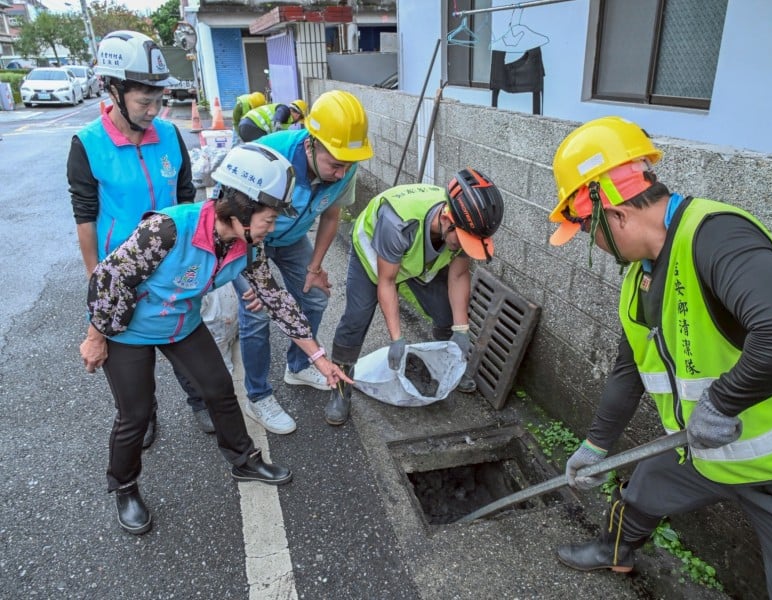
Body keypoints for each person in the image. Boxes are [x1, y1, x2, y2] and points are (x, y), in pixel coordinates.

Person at [548, 116, 772, 598]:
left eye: (587, 231)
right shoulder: (638, 279)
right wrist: (596, 446)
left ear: (615, 216)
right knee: (643, 488)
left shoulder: (716, 236)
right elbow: (629, 371)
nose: (592, 244)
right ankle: (614, 551)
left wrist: (722, 403)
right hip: (702, 449)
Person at [78, 143, 352, 535]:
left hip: (181, 325)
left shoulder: (248, 246)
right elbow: (109, 278)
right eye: (270, 218)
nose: (273, 227)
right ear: (241, 209)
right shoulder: (168, 229)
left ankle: (244, 460)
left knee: (220, 389)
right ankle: (124, 487)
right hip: (129, 330)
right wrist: (96, 336)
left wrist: (320, 359)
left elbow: (277, 301)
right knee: (134, 414)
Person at [67, 30, 212, 442]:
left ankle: (200, 400)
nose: (153, 110)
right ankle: (142, 414)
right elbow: (84, 216)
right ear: (113, 90)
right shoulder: (88, 144)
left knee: (182, 335)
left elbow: (186, 197)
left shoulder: (169, 136)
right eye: (144, 101)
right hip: (121, 271)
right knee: (131, 353)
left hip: (171, 264)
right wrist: (97, 279)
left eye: (158, 100)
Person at [234, 89, 373, 435]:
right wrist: (257, 280)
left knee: (315, 297)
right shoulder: (272, 155)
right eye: (335, 165)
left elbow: (331, 214)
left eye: (347, 165)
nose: (341, 173)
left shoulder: (346, 165)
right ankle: (258, 395)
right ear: (311, 143)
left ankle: (297, 367)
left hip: (292, 238)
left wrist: (315, 267)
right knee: (256, 312)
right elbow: (236, 220)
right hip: (249, 239)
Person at [326, 169, 505, 425]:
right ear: (447, 219)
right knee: (357, 317)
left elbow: (458, 276)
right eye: (464, 242)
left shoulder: (467, 225)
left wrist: (461, 330)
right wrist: (396, 338)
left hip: (418, 258)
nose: (465, 247)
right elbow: (388, 282)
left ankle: (450, 367)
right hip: (376, 256)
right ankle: (341, 386)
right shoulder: (399, 223)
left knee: (446, 314)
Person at [238, 99, 307, 143]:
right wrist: (277, 138)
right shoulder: (284, 109)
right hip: (253, 126)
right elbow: (276, 120)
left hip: (245, 125)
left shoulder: (286, 122)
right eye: (299, 119)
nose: (297, 122)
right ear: (298, 115)